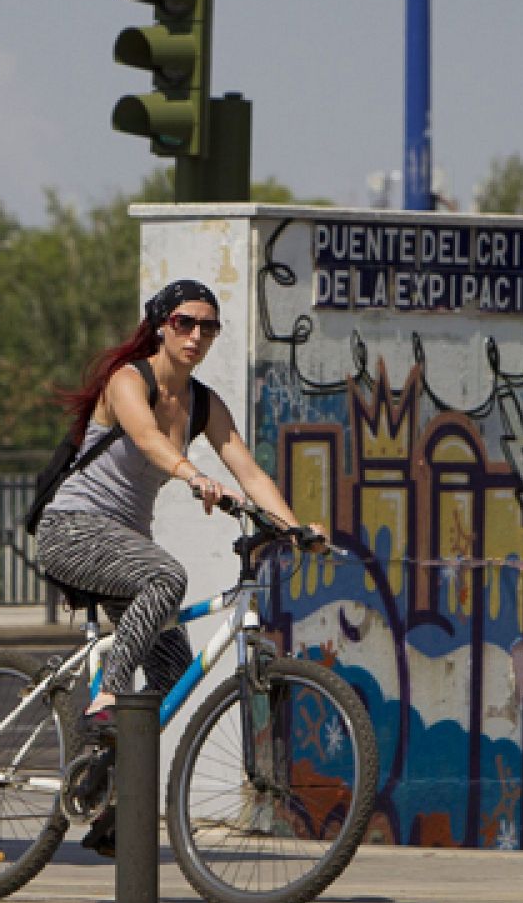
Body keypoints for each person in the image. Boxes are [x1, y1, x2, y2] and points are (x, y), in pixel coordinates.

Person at [37, 278, 322, 732]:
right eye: (184, 323)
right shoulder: (128, 381)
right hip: (72, 530)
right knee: (167, 576)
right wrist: (196, 477)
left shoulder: (203, 403)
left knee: (172, 674)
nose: (195, 337)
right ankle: (106, 697)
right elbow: (149, 440)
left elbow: (249, 472)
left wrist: (294, 529)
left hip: (124, 547)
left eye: (208, 328)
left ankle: (104, 779)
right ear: (160, 327)